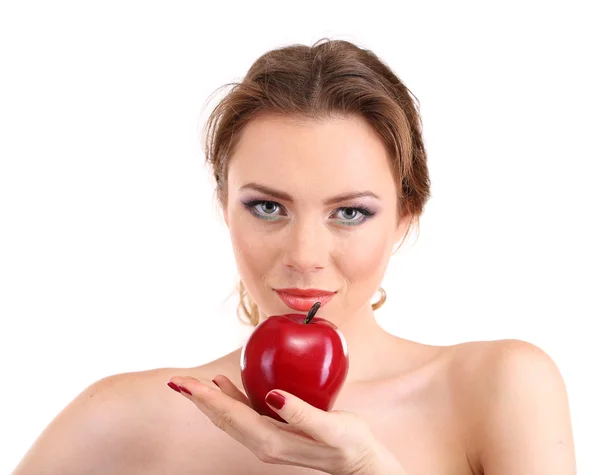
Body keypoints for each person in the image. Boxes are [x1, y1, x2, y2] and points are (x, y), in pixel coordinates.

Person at [12, 39, 576, 475]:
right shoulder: (123, 416)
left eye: (349, 212)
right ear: (223, 205)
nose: (304, 257)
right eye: (266, 207)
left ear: (406, 216)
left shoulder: (499, 388)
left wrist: (367, 468)